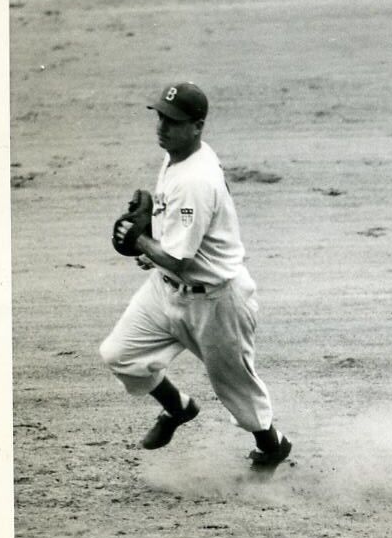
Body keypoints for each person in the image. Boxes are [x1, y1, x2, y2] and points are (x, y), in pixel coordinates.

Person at [99, 82, 292, 471]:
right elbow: (174, 248)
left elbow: (181, 261)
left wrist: (141, 241)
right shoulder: (178, 156)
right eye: (160, 117)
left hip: (217, 302)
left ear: (197, 125)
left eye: (173, 121)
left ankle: (272, 446)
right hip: (166, 291)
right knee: (120, 354)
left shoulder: (195, 179)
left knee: (237, 388)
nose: (162, 126)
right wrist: (153, 239)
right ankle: (178, 409)